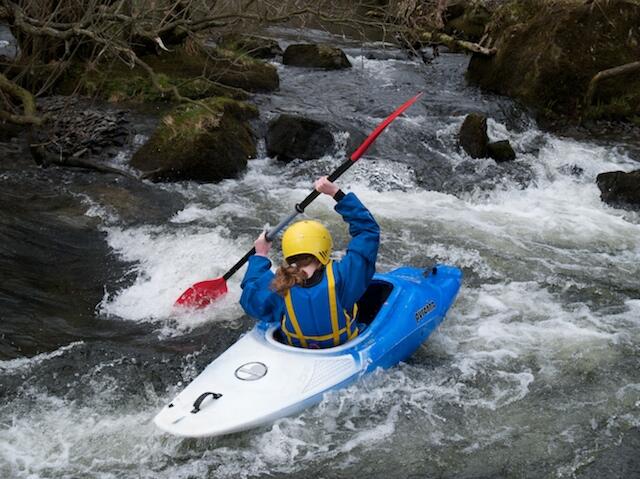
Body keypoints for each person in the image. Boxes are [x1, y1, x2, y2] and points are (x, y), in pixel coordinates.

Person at [240, 176, 380, 349]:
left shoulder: (279, 284)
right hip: (343, 346)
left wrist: (260, 256)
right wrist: (337, 194)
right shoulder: (344, 275)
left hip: (296, 350)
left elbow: (249, 296)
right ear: (325, 246)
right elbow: (368, 231)